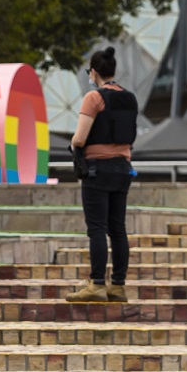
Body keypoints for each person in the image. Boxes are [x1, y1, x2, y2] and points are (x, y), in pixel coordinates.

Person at [67, 46, 138, 303]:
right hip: (122, 169)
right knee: (117, 229)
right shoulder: (130, 98)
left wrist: (75, 145)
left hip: (98, 170)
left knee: (96, 228)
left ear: (93, 72)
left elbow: (80, 137)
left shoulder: (94, 98)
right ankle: (118, 285)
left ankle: (96, 283)